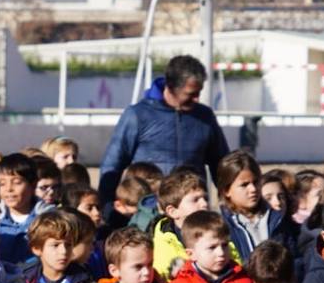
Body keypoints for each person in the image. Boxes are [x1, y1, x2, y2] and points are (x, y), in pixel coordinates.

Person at [98, 55, 229, 211]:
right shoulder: (138, 115)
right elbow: (112, 165)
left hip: (191, 213)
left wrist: (229, 202)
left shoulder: (205, 117)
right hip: (148, 211)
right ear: (171, 86)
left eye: (198, 93)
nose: (196, 99)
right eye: (190, 94)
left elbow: (221, 166)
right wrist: (106, 208)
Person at [216, 151, 299, 264]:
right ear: (226, 190)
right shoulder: (219, 226)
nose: (253, 189)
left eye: (256, 182)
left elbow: (295, 259)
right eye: (244, 185)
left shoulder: (278, 219)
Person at [151, 168, 210, 281]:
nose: (204, 204)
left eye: (205, 198)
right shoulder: (164, 246)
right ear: (173, 211)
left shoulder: (217, 231)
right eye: (195, 200)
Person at [0, 153, 45, 270]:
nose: (9, 189)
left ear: (33, 185)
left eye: (17, 182)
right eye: (2, 183)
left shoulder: (46, 217)